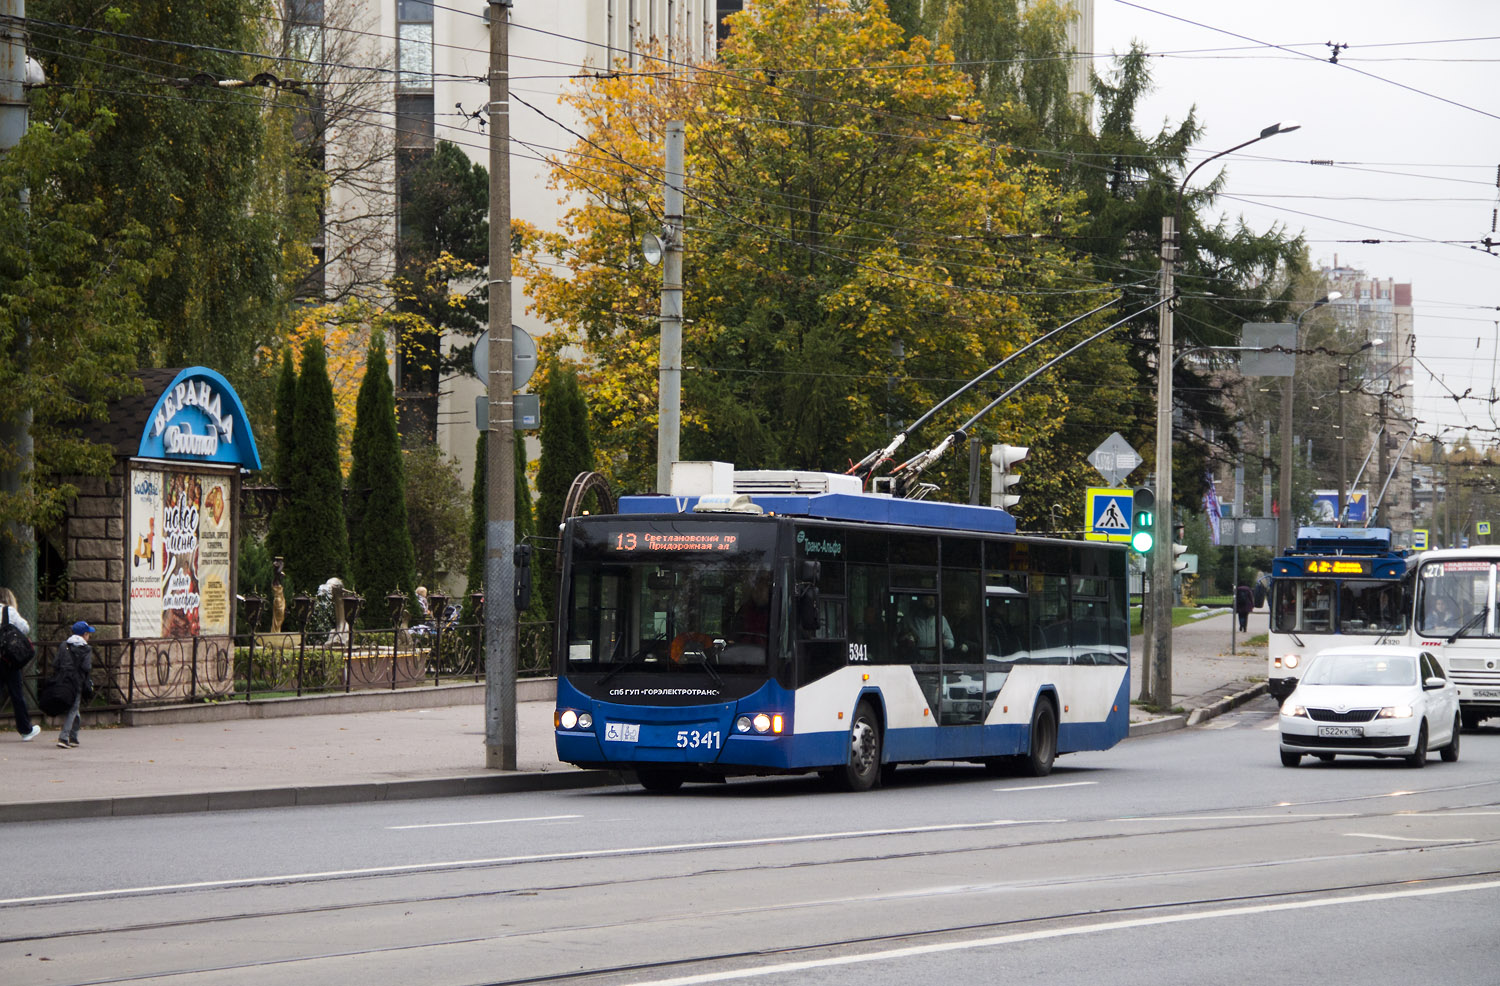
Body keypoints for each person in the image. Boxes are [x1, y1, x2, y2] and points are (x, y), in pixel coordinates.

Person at [0, 587, 40, 741]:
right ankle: (25, 729)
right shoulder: (9, 611)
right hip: (8, 659)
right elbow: (25, 627)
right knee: (16, 694)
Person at [53, 620, 94, 749]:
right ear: (85, 634)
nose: (89, 637)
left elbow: (55, 663)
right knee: (73, 709)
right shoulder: (86, 648)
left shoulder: (64, 645)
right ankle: (64, 738)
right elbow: (86, 667)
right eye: (88, 634)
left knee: (75, 709)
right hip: (77, 682)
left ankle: (74, 737)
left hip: (63, 680)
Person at [898, 595, 953, 660]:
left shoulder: (941, 619)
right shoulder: (908, 619)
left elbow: (951, 642)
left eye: (934, 600)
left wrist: (945, 643)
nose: (932, 602)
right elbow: (896, 642)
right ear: (920, 601)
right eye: (928, 599)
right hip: (914, 663)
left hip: (935, 663)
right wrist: (906, 640)